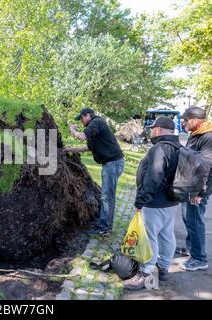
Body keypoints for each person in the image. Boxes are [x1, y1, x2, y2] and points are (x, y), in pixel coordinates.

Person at [123, 117, 181, 290]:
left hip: (155, 202)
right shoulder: (179, 148)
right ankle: (163, 268)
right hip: (172, 201)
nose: (151, 131)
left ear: (159, 130)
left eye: (153, 128)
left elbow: (153, 177)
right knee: (167, 234)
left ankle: (146, 274)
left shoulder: (160, 148)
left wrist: (140, 201)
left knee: (149, 237)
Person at [175, 107, 212, 271]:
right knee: (189, 220)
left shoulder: (210, 139)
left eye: (186, 120)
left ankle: (199, 259)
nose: (183, 123)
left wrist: (200, 193)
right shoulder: (197, 135)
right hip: (190, 188)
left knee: (195, 223)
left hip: (197, 191)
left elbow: (210, 169)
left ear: (195, 120)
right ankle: (191, 249)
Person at [62, 108, 125, 236]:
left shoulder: (96, 122)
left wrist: (73, 130)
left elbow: (82, 136)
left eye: (81, 118)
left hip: (112, 164)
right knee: (106, 195)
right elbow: (87, 148)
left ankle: (105, 228)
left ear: (88, 115)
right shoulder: (95, 129)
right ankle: (104, 223)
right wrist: (70, 149)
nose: (81, 121)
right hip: (110, 164)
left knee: (107, 196)